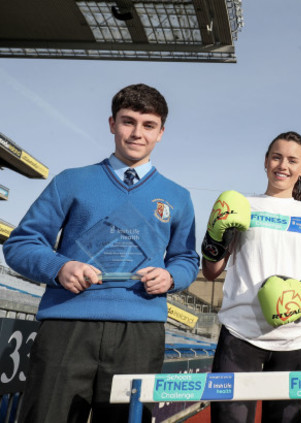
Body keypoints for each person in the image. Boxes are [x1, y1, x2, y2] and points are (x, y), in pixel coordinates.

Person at [3, 83, 200, 423]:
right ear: (112, 124)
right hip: (67, 325)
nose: (137, 133)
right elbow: (20, 244)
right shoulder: (71, 181)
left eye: (148, 125)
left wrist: (170, 277)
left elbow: (186, 259)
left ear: (161, 133)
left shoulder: (178, 196)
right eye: (128, 121)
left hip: (139, 333)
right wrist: (58, 267)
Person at [201, 131, 301, 423]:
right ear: (266, 161)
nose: (283, 165)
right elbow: (211, 271)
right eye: (277, 157)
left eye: (292, 160)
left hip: (294, 340)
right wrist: (216, 235)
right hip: (240, 336)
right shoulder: (242, 205)